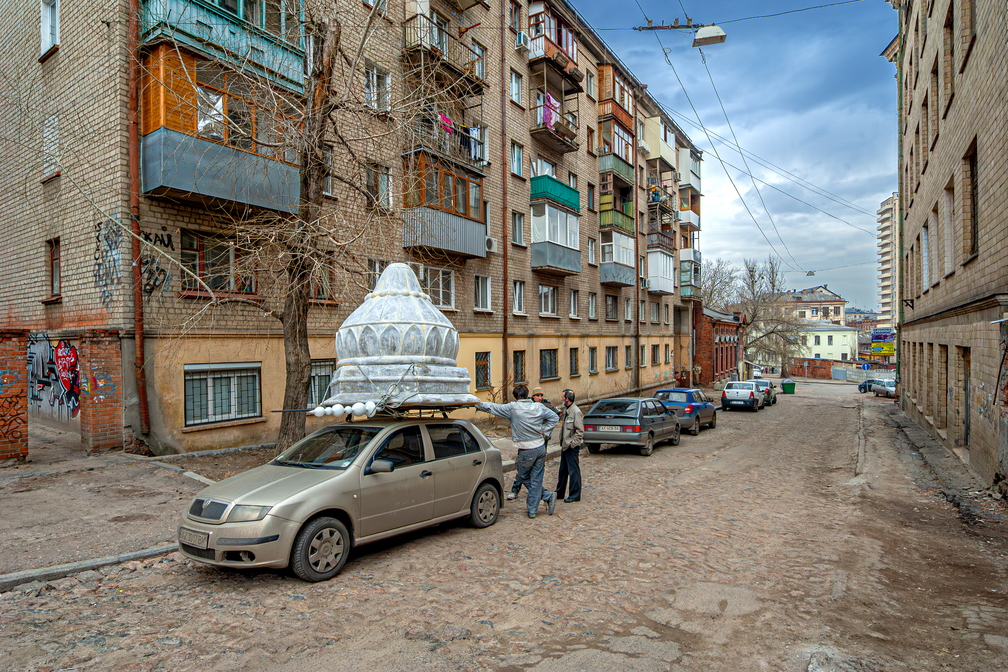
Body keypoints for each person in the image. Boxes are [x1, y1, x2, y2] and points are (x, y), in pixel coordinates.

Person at [476, 385, 559, 519]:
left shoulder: (513, 408)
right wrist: (544, 430)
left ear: (515, 396)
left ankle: (545, 497)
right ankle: (534, 509)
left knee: (523, 476)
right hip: (540, 447)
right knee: (536, 478)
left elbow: (493, 407)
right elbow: (555, 417)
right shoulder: (538, 406)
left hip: (526, 449)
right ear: (527, 394)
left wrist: (476, 404)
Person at [508, 387, 561, 501]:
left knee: (536, 470)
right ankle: (516, 489)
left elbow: (558, 414)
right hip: (527, 442)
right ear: (532, 396)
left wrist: (545, 429)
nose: (539, 398)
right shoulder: (528, 405)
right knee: (523, 469)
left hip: (541, 440)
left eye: (541, 395)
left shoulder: (546, 405)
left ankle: (537, 493)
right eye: (537, 396)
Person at [554, 389, 583, 503]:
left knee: (573, 471)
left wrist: (572, 444)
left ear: (567, 399)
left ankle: (575, 494)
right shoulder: (567, 410)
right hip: (565, 446)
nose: (561, 399)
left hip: (571, 447)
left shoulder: (576, 411)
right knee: (563, 471)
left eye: (562, 397)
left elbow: (579, 431)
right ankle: (559, 492)